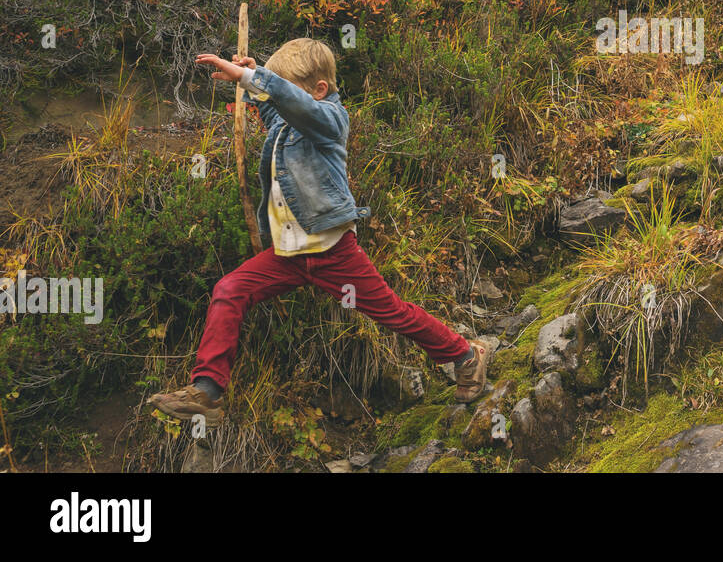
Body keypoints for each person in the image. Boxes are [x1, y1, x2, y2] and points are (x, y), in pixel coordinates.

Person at [148, 38, 489, 424]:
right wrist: (253, 79)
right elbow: (277, 106)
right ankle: (207, 393)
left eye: (288, 88)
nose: (284, 99)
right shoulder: (286, 123)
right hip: (287, 256)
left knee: (392, 312)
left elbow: (300, 107)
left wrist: (252, 75)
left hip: (333, 253)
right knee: (229, 290)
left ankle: (465, 355)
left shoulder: (330, 120)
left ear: (319, 89)